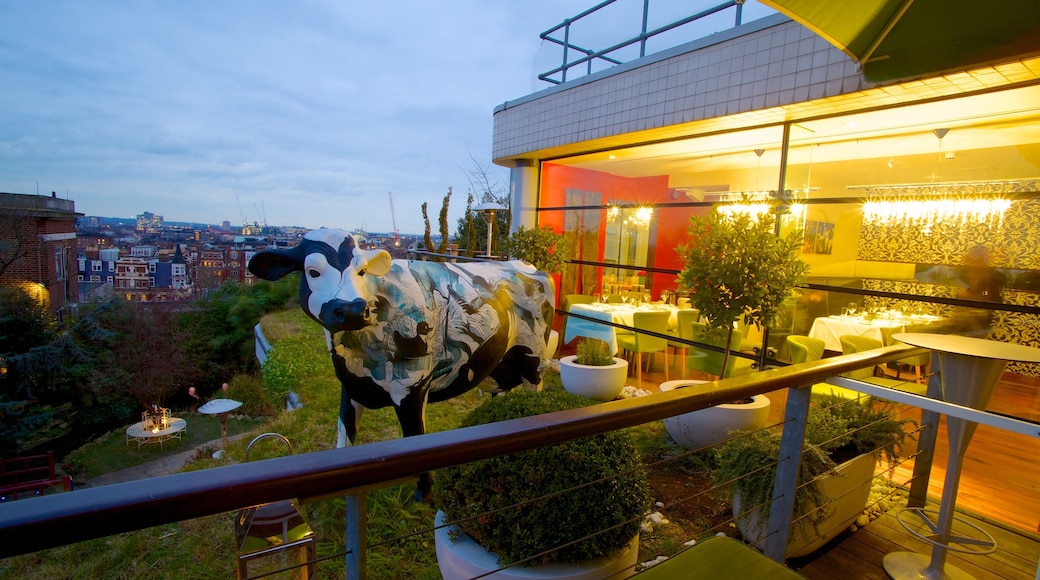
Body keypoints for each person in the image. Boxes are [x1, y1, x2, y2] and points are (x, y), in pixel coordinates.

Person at [949, 245, 1005, 337]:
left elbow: (996, 300)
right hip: (963, 320)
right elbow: (960, 296)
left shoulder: (995, 277)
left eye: (977, 261)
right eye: (971, 260)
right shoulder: (964, 274)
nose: (973, 264)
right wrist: (955, 313)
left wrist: (972, 296)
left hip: (981, 321)